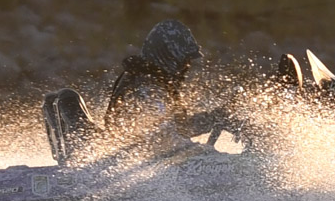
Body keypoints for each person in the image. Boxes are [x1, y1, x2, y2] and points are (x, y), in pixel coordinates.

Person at [43, 19, 224, 164]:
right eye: (184, 61)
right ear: (169, 57)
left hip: (130, 160)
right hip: (126, 165)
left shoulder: (150, 81)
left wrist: (215, 117)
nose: (187, 67)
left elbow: (178, 127)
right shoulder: (146, 89)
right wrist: (204, 151)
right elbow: (166, 137)